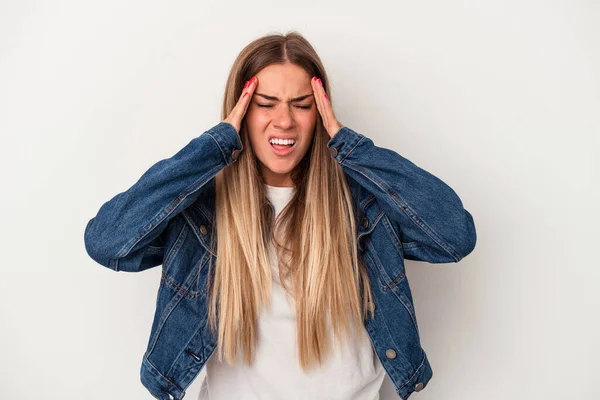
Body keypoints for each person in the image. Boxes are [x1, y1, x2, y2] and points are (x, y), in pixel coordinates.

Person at [84, 31, 477, 400]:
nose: (284, 121)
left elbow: (455, 235)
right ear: (240, 110)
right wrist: (214, 148)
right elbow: (107, 242)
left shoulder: (360, 205)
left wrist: (351, 148)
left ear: (320, 113)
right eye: (265, 104)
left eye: (302, 105)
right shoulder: (203, 210)